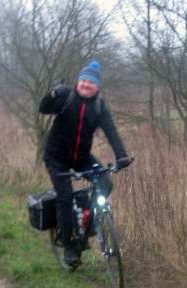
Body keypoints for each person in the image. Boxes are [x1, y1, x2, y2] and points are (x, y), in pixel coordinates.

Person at [39, 60, 132, 267]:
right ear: (78, 82)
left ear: (97, 87)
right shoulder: (66, 98)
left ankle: (87, 223)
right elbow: (43, 108)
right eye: (83, 80)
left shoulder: (99, 107)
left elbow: (111, 132)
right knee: (64, 196)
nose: (86, 84)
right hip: (56, 157)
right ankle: (70, 247)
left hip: (81, 157)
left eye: (91, 82)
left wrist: (121, 156)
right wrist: (53, 93)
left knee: (105, 183)